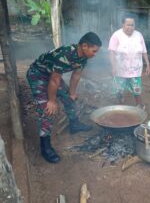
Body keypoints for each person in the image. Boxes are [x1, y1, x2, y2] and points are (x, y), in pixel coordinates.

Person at [26, 32, 102, 163]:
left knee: (69, 98)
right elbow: (54, 81)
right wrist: (51, 100)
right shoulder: (64, 55)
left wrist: (72, 93)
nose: (95, 54)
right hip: (38, 75)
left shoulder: (84, 57)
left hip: (53, 76)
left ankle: (74, 124)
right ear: (84, 46)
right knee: (47, 110)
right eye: (94, 51)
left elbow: (76, 75)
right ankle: (45, 147)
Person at [108, 14, 150, 108]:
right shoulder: (116, 35)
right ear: (122, 24)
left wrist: (147, 65)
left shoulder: (139, 35)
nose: (130, 27)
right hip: (120, 69)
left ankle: (139, 105)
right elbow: (112, 52)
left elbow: (144, 51)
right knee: (119, 90)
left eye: (132, 25)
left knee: (137, 89)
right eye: (128, 24)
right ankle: (120, 105)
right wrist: (113, 66)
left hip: (135, 69)